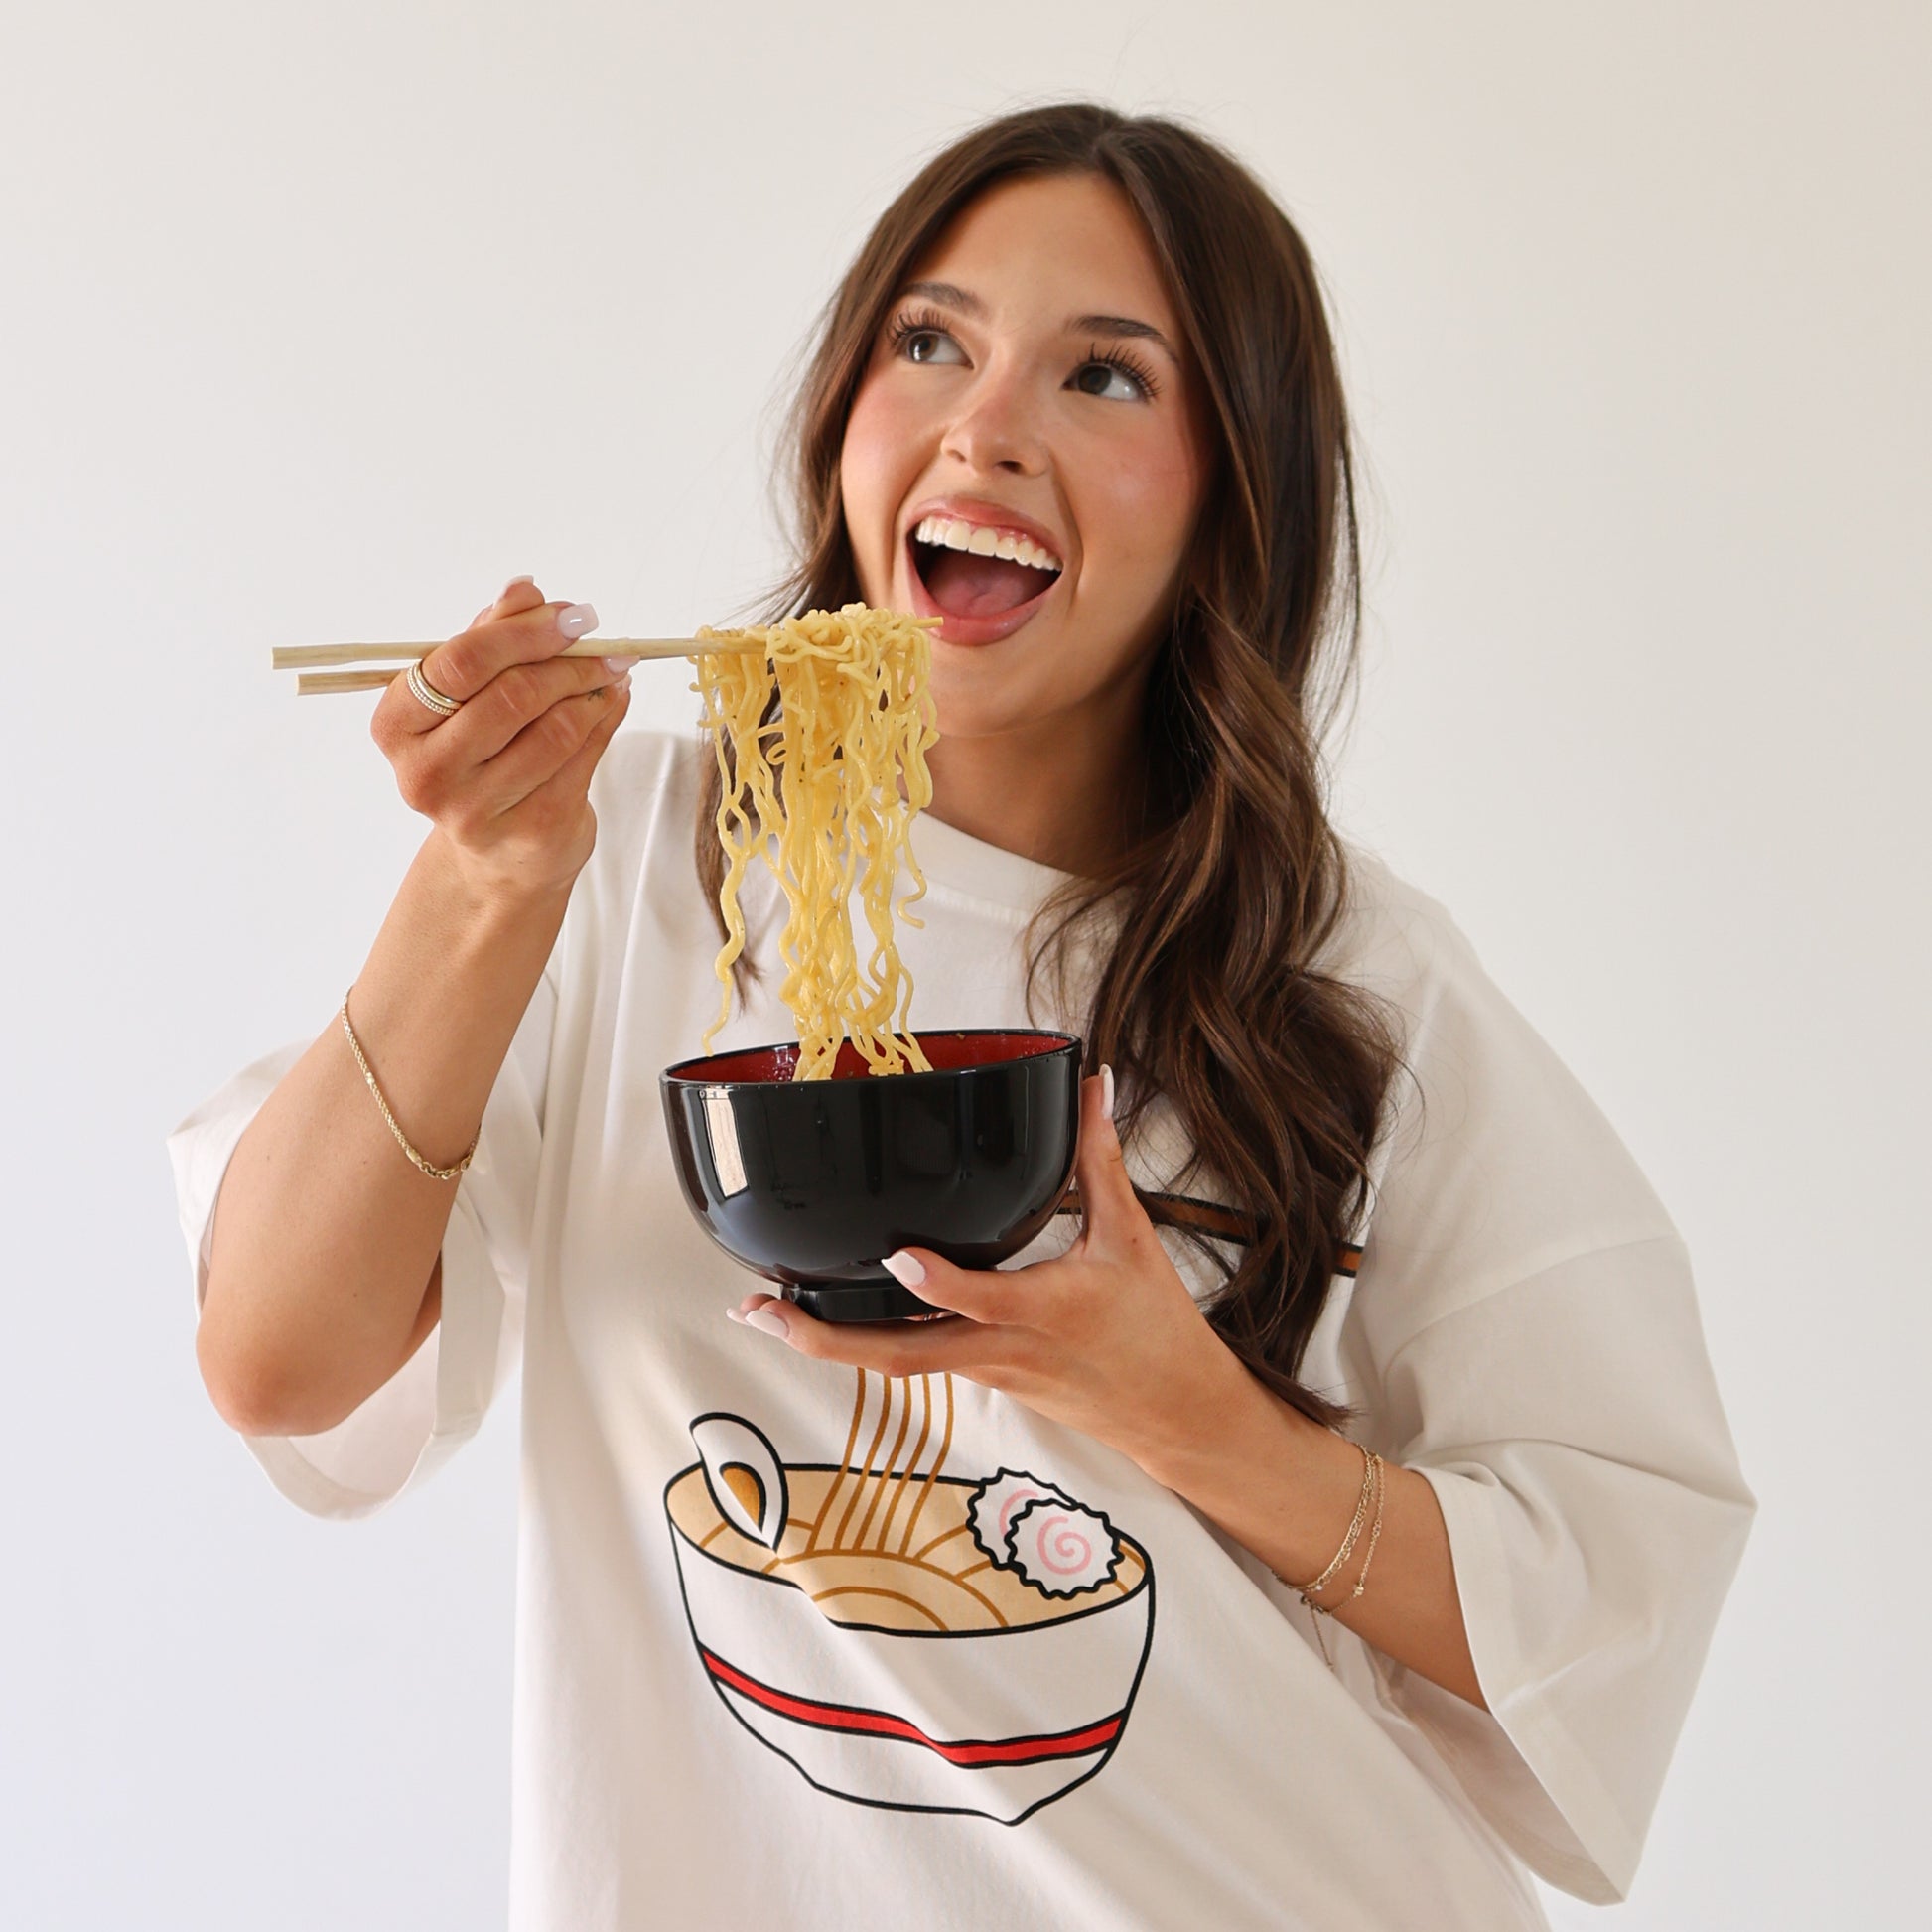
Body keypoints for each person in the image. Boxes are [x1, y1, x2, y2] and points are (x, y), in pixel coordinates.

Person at [168, 103, 1754, 1930]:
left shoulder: (1340, 978)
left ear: (1236, 491)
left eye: (1105, 376)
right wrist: (481, 884)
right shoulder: (620, 861)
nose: (986, 423)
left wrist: (1182, 1409)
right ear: (847, 415)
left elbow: (1599, 1598)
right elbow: (279, 1362)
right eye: (930, 340)